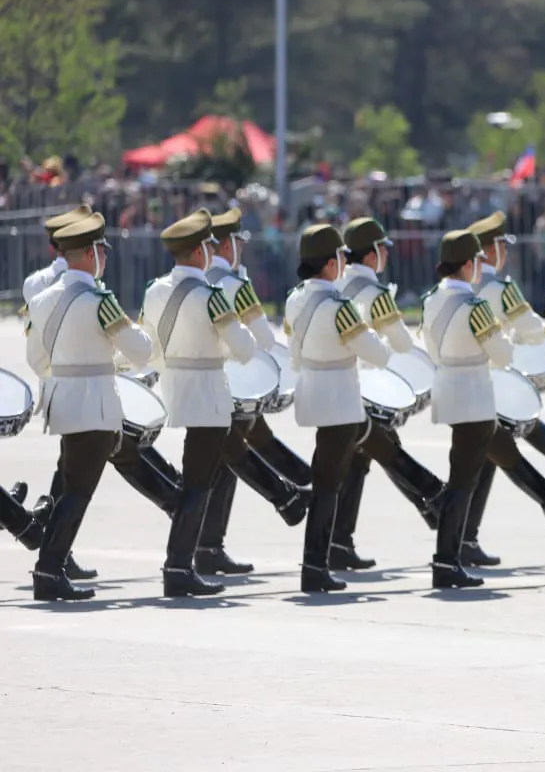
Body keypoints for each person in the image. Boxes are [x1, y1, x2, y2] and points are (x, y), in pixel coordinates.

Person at [23, 213, 154, 601]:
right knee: (76, 493)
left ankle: (52, 568)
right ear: (91, 253)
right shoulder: (100, 300)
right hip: (95, 405)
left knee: (69, 485)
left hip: (63, 401)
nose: (106, 257)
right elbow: (141, 350)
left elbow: (36, 360)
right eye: (103, 250)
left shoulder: (43, 299)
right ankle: (49, 571)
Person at [141, 209, 258, 597]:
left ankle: (182, 563)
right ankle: (178, 567)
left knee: (196, 479)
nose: (213, 251)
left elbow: (151, 349)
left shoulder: (156, 290)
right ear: (197, 252)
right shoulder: (210, 297)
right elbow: (245, 348)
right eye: (209, 245)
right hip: (208, 392)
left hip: (177, 386)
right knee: (198, 484)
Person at [461, 211, 545, 567]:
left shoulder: (465, 287)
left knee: (486, 460)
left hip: (469, 383)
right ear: (489, 250)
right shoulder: (500, 289)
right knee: (503, 448)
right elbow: (532, 329)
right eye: (501, 246)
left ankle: (466, 537)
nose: (506, 253)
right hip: (498, 381)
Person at [197, 207, 310, 576]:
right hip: (238, 383)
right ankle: (208, 545)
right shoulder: (234, 285)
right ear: (225, 245)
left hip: (201, 383)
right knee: (226, 463)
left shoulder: (195, 282)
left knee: (226, 458)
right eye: (238, 243)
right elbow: (262, 337)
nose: (241, 249)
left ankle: (209, 544)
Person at [284, 224, 395, 593]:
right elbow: (377, 354)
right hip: (340, 400)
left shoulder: (296, 298)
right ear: (331, 264)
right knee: (329, 486)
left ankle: (320, 560)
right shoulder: (339, 306)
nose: (345, 264)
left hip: (312, 390)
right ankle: (316, 566)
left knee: (326, 480)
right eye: (343, 258)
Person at [333, 217, 446, 570]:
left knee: (359, 462)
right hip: (368, 390)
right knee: (383, 454)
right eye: (382, 250)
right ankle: (438, 505)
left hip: (342, 389)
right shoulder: (374, 295)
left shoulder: (335, 287)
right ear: (370, 255)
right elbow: (398, 342)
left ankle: (340, 541)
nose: (385, 256)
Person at [422, 229, 522, 588]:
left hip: (448, 387)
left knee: (461, 479)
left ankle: (448, 558)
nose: (482, 267)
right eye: (478, 261)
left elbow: (431, 347)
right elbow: (503, 354)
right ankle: (447, 561)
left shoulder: (433, 299)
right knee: (463, 484)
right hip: (474, 394)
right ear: (466, 265)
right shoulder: (476, 307)